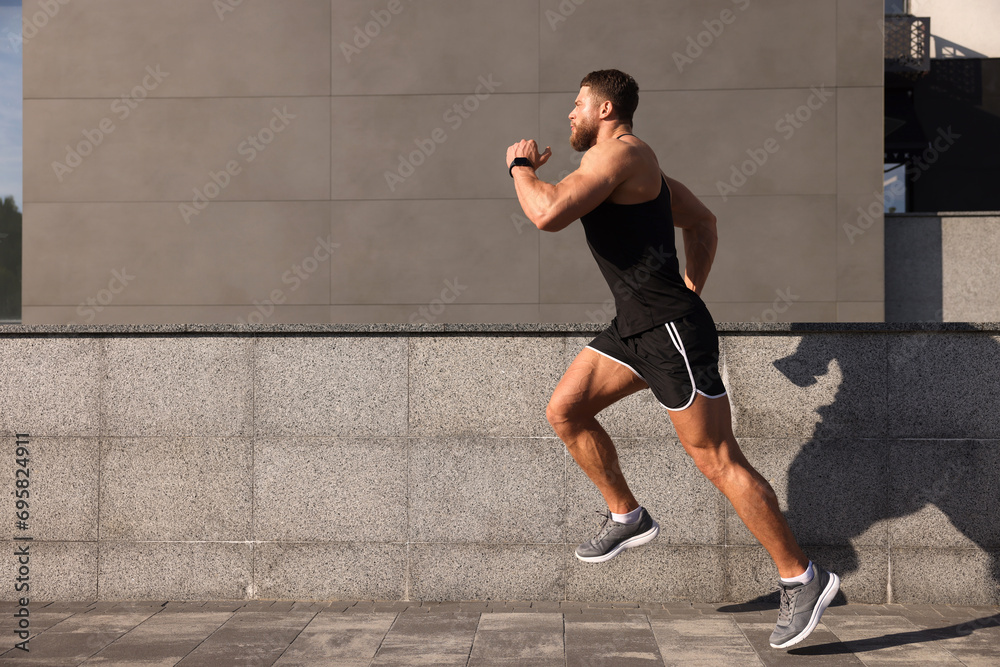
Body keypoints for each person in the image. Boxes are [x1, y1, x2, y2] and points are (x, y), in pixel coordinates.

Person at [505, 69, 839, 649]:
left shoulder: (621, 155)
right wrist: (689, 288)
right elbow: (703, 222)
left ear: (606, 108)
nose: (569, 114)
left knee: (716, 459)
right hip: (636, 328)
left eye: (578, 103)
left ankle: (802, 577)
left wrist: (521, 167)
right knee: (566, 410)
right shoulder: (633, 169)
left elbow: (546, 214)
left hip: (667, 332)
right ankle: (627, 517)